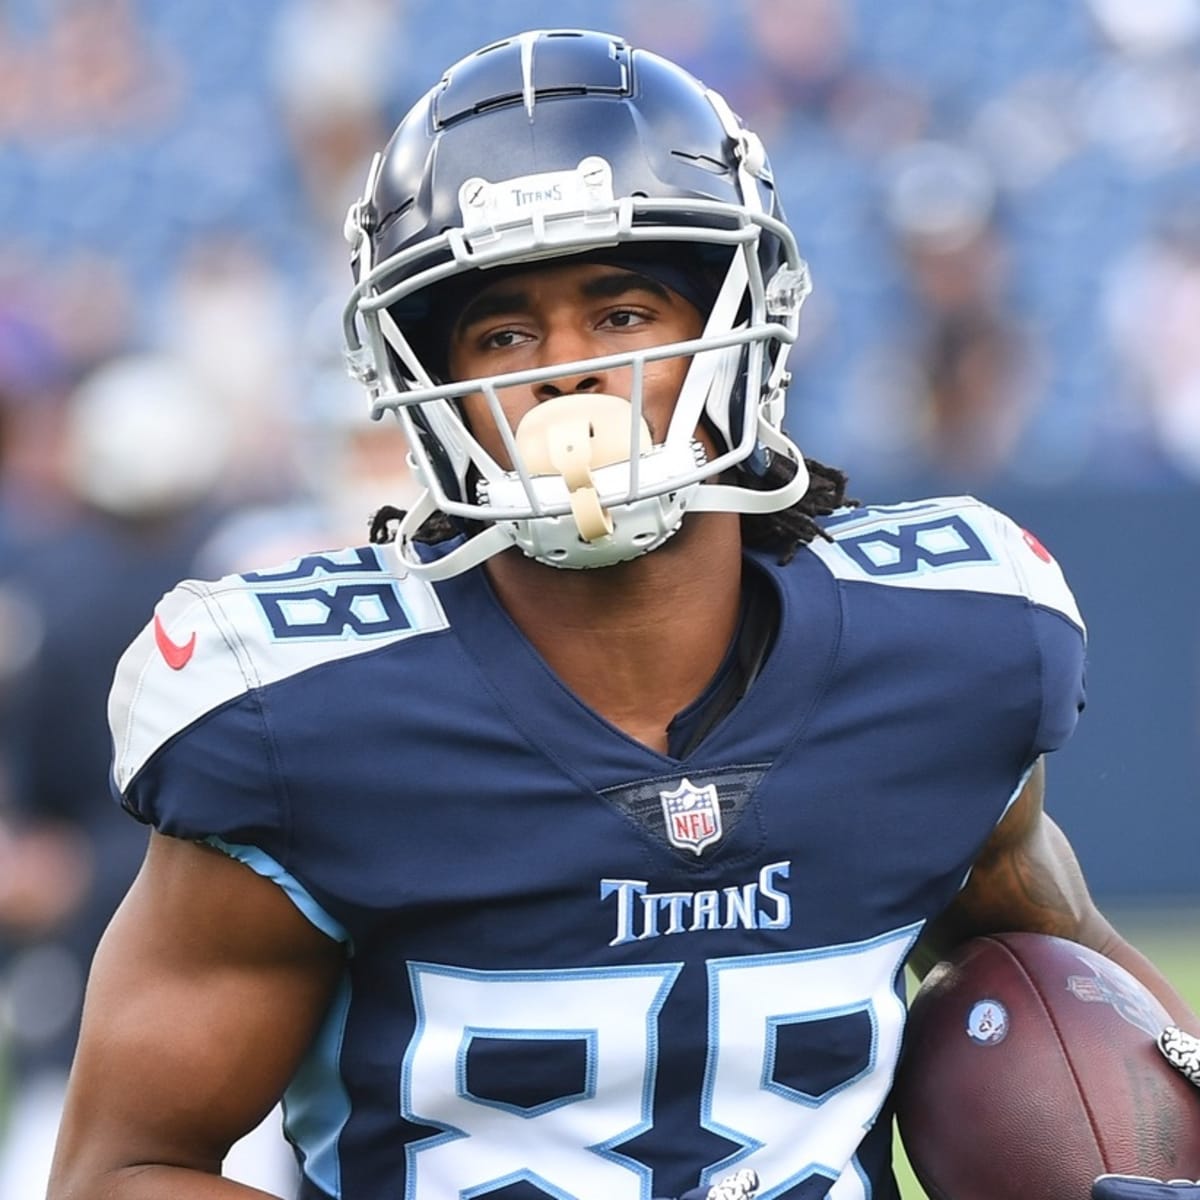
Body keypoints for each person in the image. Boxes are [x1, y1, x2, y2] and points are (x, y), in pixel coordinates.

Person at [48, 29, 1200, 1200]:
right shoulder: (300, 716)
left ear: (738, 322)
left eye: (623, 313)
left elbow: (1085, 994)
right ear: (420, 378)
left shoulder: (952, 651)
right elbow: (123, 1170)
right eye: (502, 332)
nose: (564, 373)